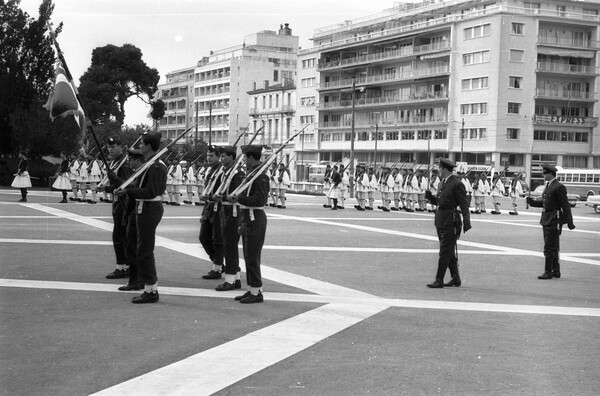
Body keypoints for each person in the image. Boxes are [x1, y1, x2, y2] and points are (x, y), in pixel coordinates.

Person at [115, 131, 167, 303]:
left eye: (142, 144)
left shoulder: (156, 166)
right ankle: (148, 287)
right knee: (141, 249)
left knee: (145, 250)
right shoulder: (149, 164)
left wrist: (128, 191)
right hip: (143, 207)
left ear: (149, 146)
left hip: (150, 208)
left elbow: (150, 191)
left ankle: (151, 290)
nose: (139, 147)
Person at [225, 145, 269, 303]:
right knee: (248, 255)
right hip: (247, 217)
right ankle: (251, 289)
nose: (243, 160)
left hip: (255, 217)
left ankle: (256, 292)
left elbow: (260, 200)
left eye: (245, 158)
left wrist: (239, 199)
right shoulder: (252, 174)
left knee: (252, 257)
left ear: (251, 158)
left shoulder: (261, 176)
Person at [427, 158, 471, 288]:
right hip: (441, 220)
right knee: (449, 251)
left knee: (444, 251)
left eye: (439, 168)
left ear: (445, 169)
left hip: (451, 221)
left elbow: (464, 205)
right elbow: (441, 203)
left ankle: (439, 279)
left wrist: (466, 222)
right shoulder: (443, 183)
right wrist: (430, 197)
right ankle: (455, 278)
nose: (438, 171)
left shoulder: (457, 184)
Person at [213, 146, 244, 291]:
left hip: (232, 211)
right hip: (225, 209)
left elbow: (236, 196)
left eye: (224, 156)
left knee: (230, 245)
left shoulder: (237, 173)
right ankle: (236, 278)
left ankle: (230, 280)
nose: (221, 159)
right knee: (228, 244)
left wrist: (222, 197)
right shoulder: (227, 172)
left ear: (232, 157)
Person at [103, 136, 134, 280]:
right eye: (109, 147)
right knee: (119, 235)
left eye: (113, 146)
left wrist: (112, 184)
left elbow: (126, 184)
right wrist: (107, 188)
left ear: (120, 146)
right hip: (117, 202)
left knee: (119, 235)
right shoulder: (115, 161)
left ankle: (122, 267)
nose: (111, 149)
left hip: (123, 203)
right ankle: (124, 266)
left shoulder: (124, 162)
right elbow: (116, 185)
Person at [538, 164, 575, 280]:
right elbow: (546, 203)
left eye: (544, 173)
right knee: (553, 247)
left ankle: (548, 271)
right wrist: (532, 202)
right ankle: (556, 271)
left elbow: (565, 205)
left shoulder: (558, 187)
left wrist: (569, 221)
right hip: (547, 218)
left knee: (549, 247)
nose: (543, 175)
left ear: (550, 174)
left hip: (553, 219)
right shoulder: (549, 186)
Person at [200, 146, 225, 279]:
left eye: (211, 156)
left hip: (218, 207)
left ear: (218, 157)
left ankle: (217, 267)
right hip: (208, 207)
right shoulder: (210, 170)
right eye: (208, 155)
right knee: (203, 237)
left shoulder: (222, 171)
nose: (208, 158)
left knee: (218, 239)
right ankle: (218, 262)